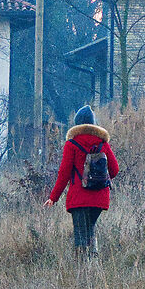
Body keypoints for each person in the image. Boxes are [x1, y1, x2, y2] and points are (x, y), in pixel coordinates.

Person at [45, 105, 118, 256]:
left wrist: (53, 197)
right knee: (90, 229)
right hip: (99, 198)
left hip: (79, 197)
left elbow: (64, 174)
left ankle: (81, 269)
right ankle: (93, 264)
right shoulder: (103, 144)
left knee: (80, 235)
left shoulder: (72, 144)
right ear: (93, 123)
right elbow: (115, 170)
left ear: (77, 124)